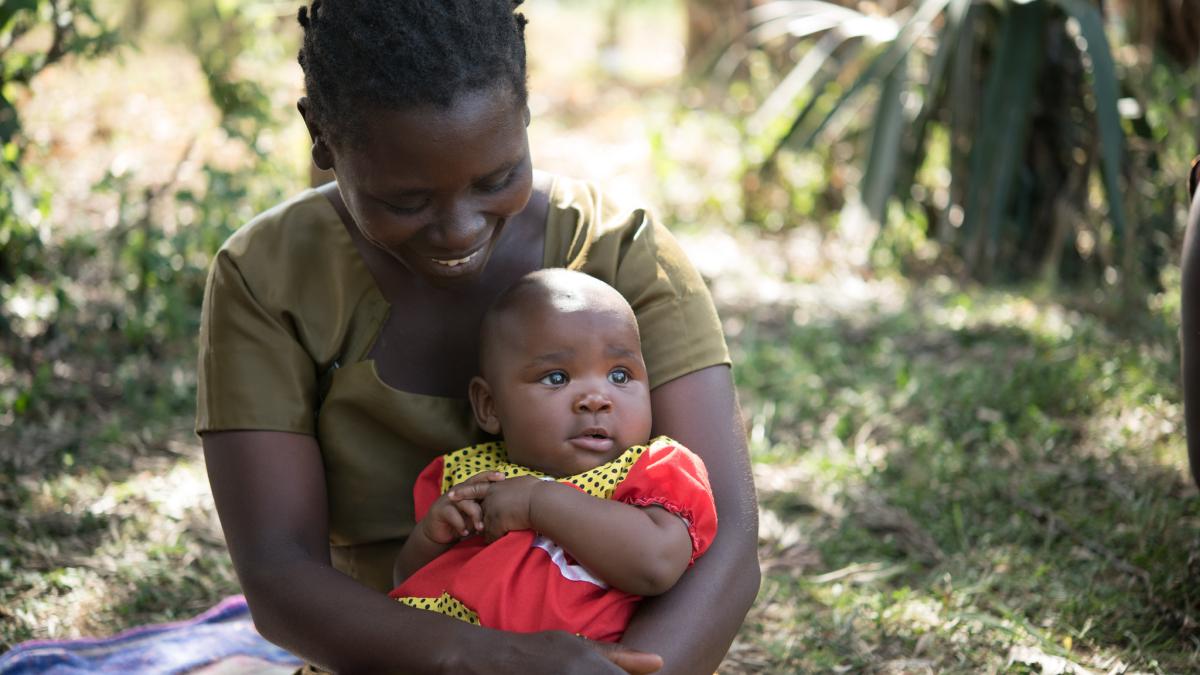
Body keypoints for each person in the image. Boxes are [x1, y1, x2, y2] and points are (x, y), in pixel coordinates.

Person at [196, 1, 760, 673]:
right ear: (322, 138)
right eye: (406, 200)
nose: (460, 231)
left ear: (524, 110)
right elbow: (280, 576)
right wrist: (482, 658)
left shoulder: (622, 257)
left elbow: (723, 544)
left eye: (497, 179)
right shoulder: (267, 278)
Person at [389, 269, 718, 644]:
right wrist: (430, 538)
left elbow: (656, 564)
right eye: (557, 378)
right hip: (448, 655)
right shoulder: (474, 477)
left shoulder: (649, 471)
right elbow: (407, 586)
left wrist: (538, 502)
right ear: (490, 406)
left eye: (620, 375)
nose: (596, 397)